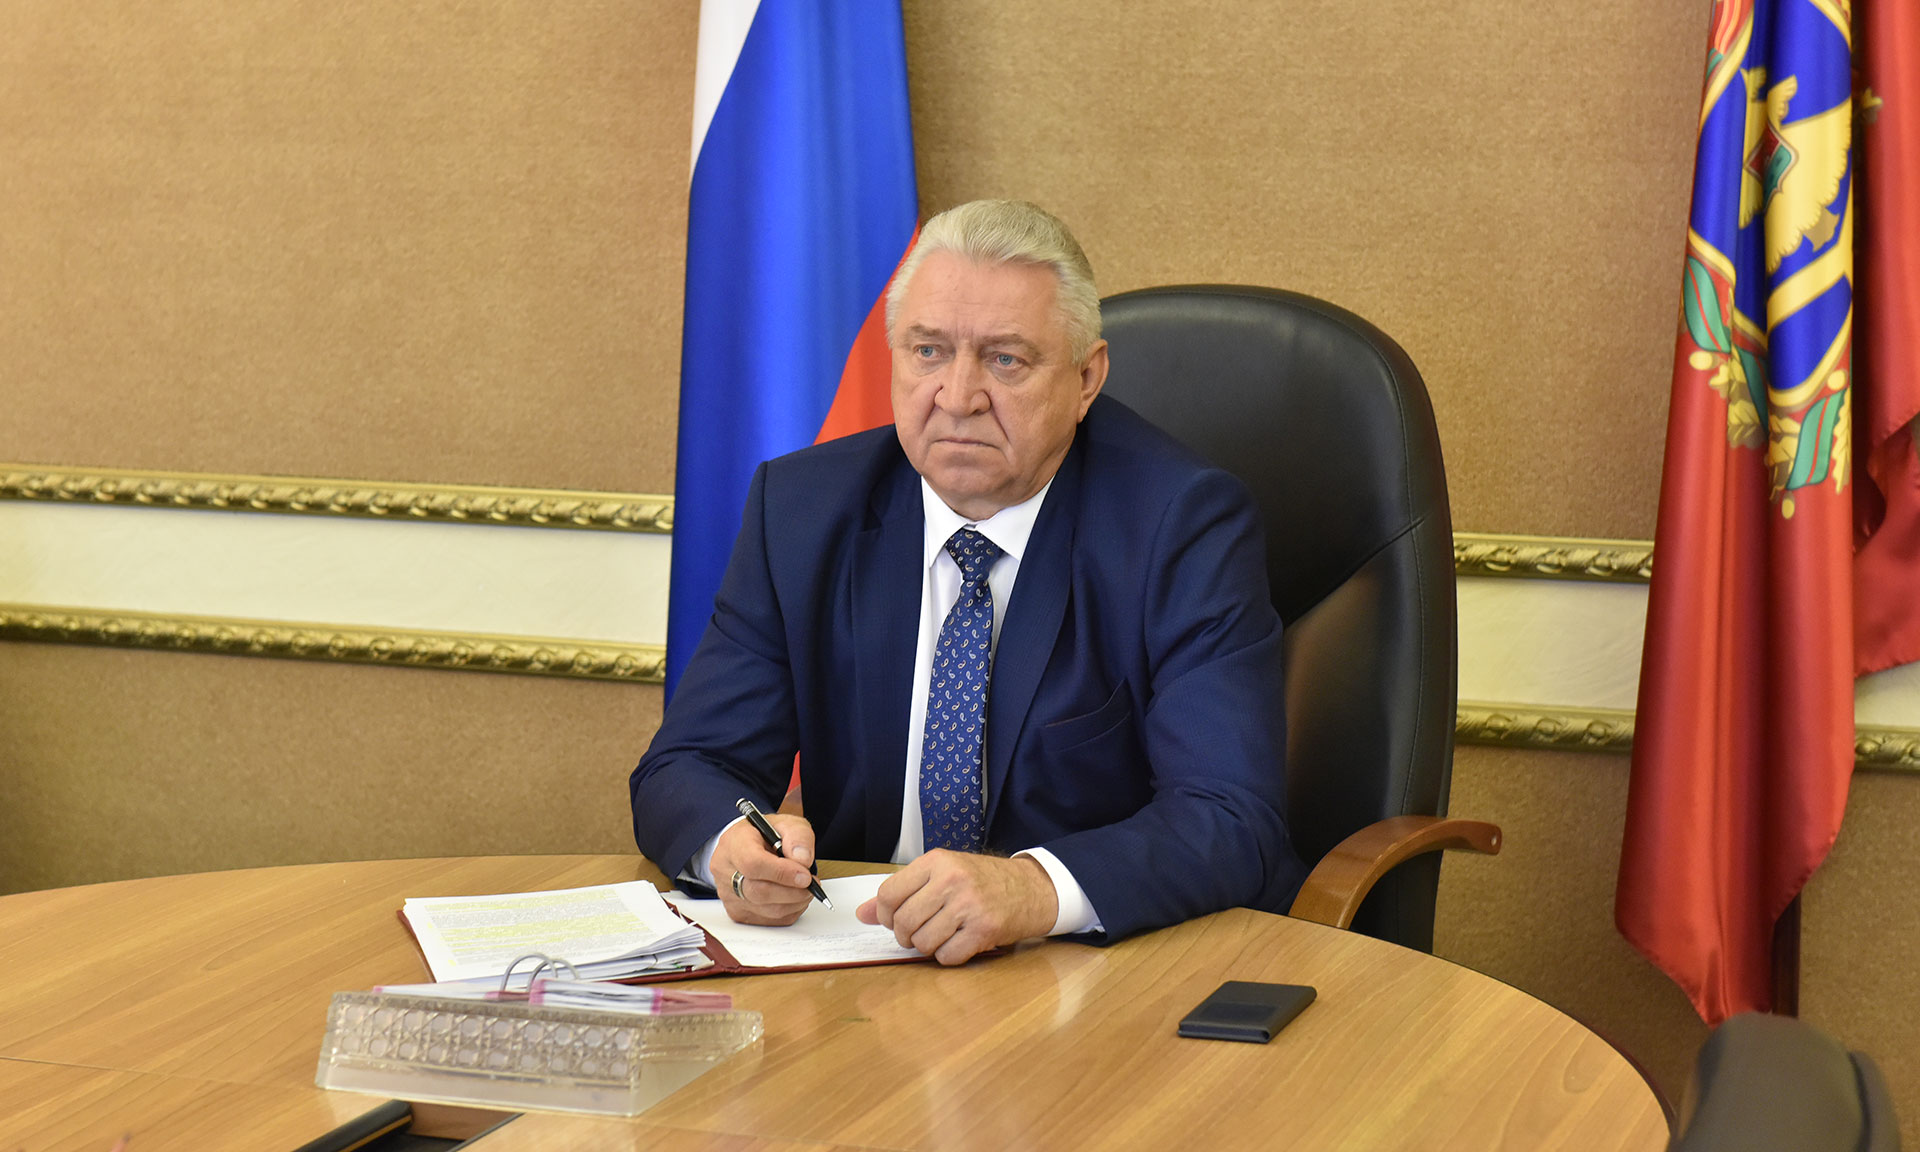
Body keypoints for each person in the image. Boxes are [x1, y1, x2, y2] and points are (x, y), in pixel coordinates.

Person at [631, 199, 1305, 964]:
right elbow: (687, 765)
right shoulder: (803, 510)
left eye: (1005, 360)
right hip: (867, 958)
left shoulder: (1180, 525)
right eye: (928, 351)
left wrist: (1032, 888)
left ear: (1087, 378)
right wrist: (732, 844)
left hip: (1094, 967)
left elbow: (1230, 816)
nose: (957, 396)